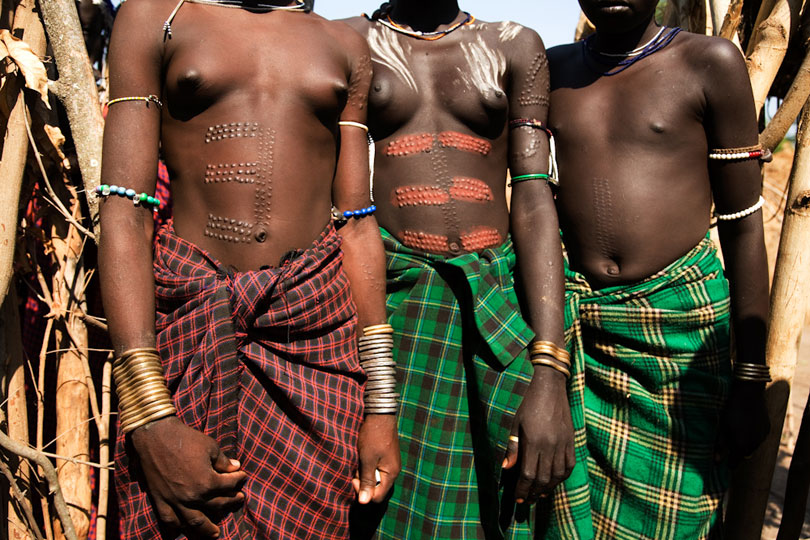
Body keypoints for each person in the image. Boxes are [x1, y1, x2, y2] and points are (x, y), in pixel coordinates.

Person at [98, 1, 400, 538]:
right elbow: (125, 211)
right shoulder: (155, 17)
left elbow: (356, 225)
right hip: (186, 329)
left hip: (312, 335)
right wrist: (150, 417)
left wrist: (381, 404)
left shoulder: (343, 44)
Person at [344, 2, 574, 538]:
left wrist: (549, 367)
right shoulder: (349, 41)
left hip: (497, 307)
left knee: (505, 495)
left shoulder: (514, 43)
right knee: (391, 501)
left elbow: (535, 198)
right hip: (396, 303)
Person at [544, 1, 771, 538]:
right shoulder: (552, 70)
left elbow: (743, 226)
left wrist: (750, 378)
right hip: (580, 337)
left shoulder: (709, 62)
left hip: (678, 338)